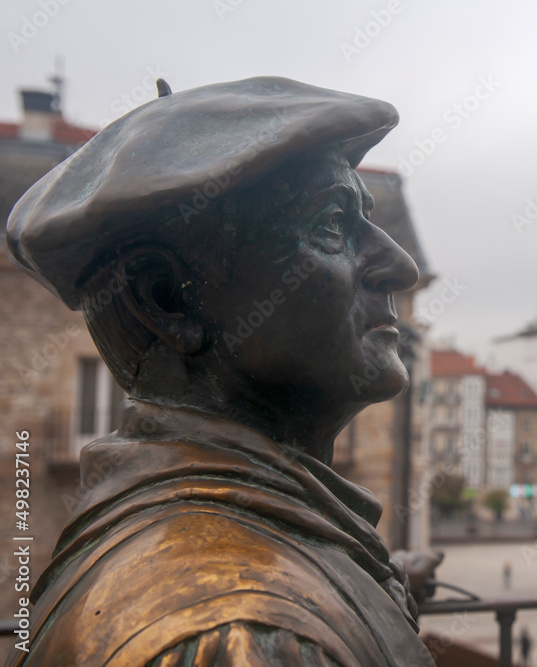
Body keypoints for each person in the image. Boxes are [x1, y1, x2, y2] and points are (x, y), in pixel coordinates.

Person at [5, 77, 435, 666]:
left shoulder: (234, 574)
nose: (399, 266)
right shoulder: (240, 637)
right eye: (333, 223)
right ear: (166, 300)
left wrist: (374, 587)